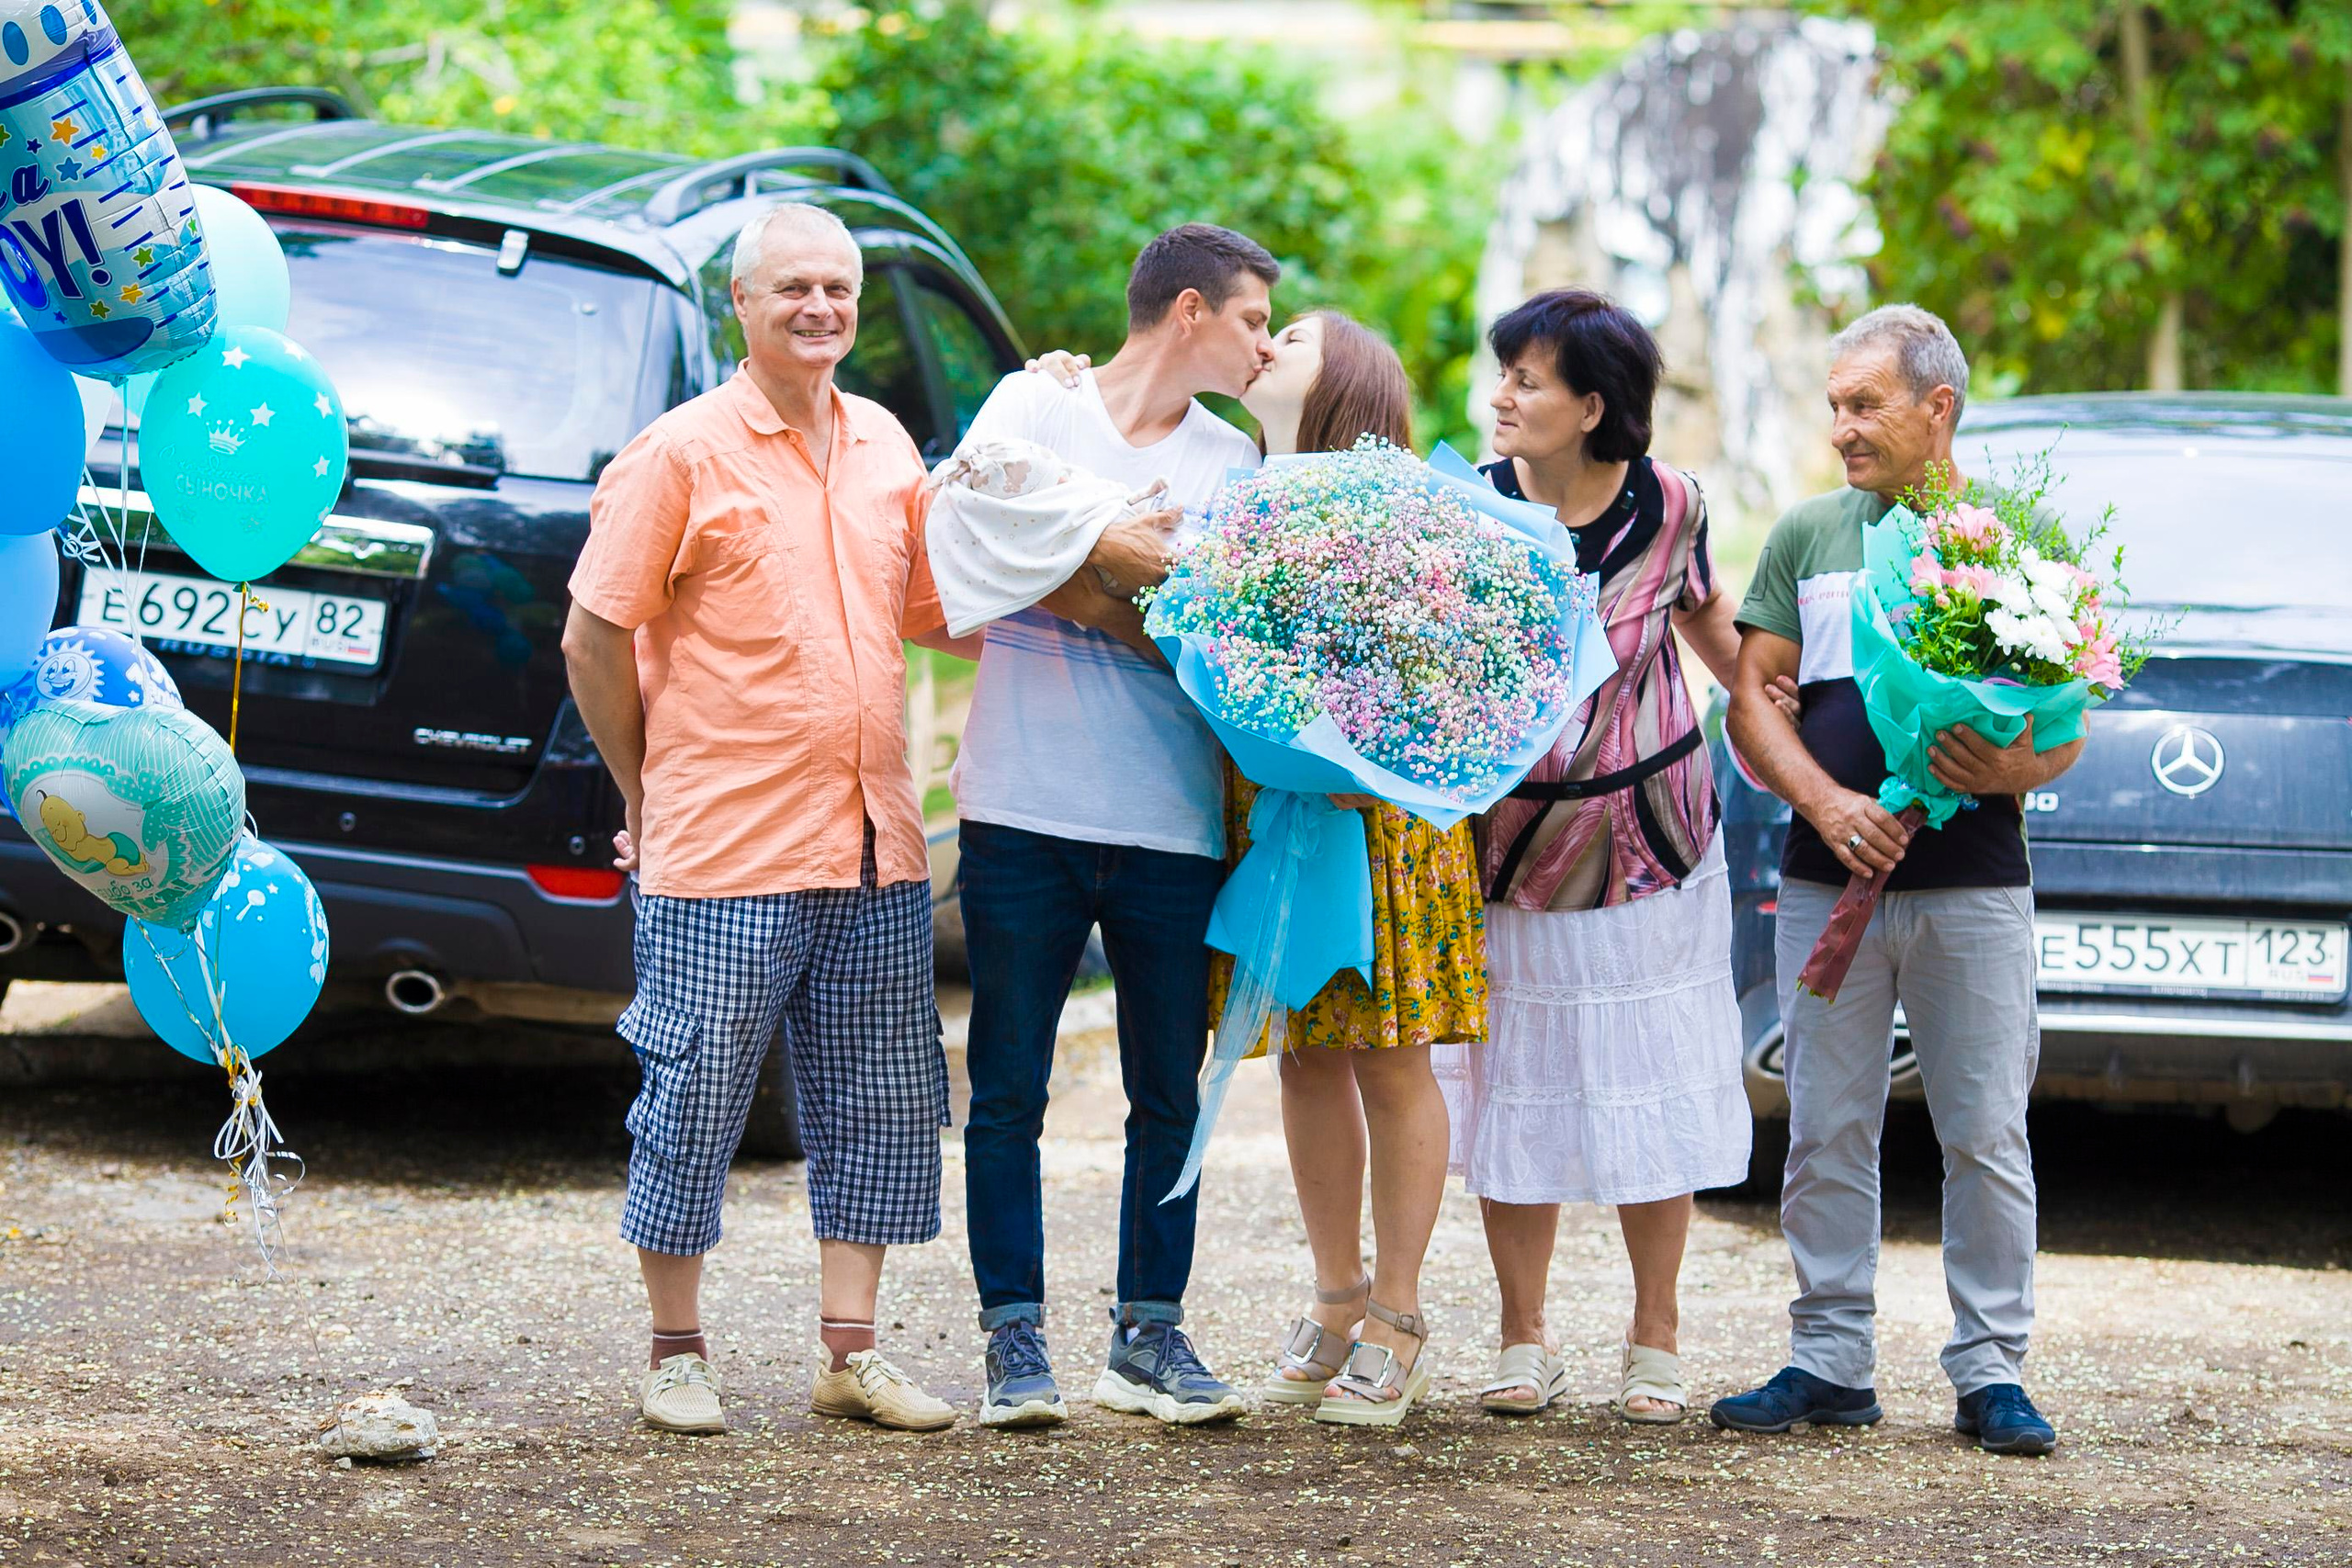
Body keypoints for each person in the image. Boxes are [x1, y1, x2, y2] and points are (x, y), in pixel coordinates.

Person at [562, 202, 973, 1437]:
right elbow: (591, 636)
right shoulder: (680, 453)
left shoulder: (888, 443)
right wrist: (647, 790)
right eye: (794, 286)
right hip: (722, 845)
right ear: (738, 305)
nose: (822, 309)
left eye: (839, 290)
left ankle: (849, 1354)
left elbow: (934, 613)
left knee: (883, 1102)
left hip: (872, 839)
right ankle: (676, 1350)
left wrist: (1029, 498)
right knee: (691, 1098)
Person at [1713, 303, 2081, 1457]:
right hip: (1825, 885)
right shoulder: (1808, 534)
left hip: (1973, 887)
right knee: (1825, 1129)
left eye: (1863, 404)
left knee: (1984, 1132)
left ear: (1938, 409)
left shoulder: (2010, 540)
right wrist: (1823, 801)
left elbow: (2064, 730)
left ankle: (1990, 1374)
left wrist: (2015, 761)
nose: (1840, 428)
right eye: (1833, 405)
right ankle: (1828, 1361)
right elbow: (1749, 697)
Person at [952, 224, 1275, 1429]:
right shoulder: (1031, 406)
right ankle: (1012, 1338)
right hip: (1020, 805)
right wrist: (1122, 551)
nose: (1259, 344)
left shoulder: (1232, 462)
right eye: (1250, 319)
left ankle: (1149, 1333)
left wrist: (1075, 560)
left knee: (1169, 1094)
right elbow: (967, 540)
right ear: (1189, 309)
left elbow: (1216, 642)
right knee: (1007, 1087)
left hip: (1169, 816)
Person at [1430, 288, 1755, 1425]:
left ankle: (1654, 1336)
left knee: (1645, 1074)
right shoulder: (1462, 510)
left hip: (1652, 836)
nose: (1502, 395)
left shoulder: (1672, 507)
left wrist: (1809, 742)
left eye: (1527, 379)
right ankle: (1523, 1339)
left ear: (1592, 407)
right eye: (1504, 374)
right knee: (1513, 1080)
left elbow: (1714, 638)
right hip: (1509, 848)